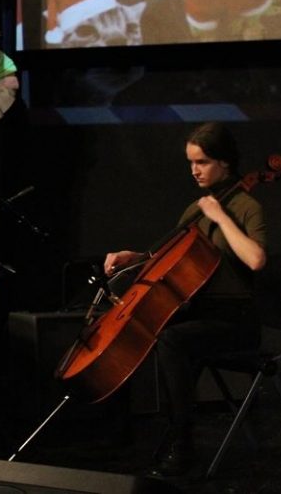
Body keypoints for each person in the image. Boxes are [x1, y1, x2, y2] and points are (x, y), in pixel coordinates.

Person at [103, 122, 267, 477]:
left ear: (225, 162)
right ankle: (120, 431)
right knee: (143, 327)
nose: (194, 170)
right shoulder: (196, 209)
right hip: (201, 313)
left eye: (202, 162)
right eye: (191, 162)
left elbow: (256, 259)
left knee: (173, 339)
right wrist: (136, 256)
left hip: (236, 322)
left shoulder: (246, 206)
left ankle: (183, 443)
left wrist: (220, 217)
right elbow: (166, 258)